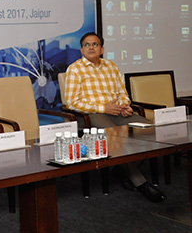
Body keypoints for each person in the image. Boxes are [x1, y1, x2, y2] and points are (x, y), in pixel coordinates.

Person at [65, 31, 165, 202]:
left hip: (118, 112)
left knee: (150, 130)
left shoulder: (111, 66)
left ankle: (122, 167)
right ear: (81, 50)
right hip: (91, 115)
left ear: (102, 49)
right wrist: (103, 108)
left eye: (95, 44)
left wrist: (124, 105)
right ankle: (140, 182)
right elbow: (71, 103)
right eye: (87, 45)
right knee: (116, 136)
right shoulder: (75, 69)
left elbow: (122, 93)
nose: (91, 47)